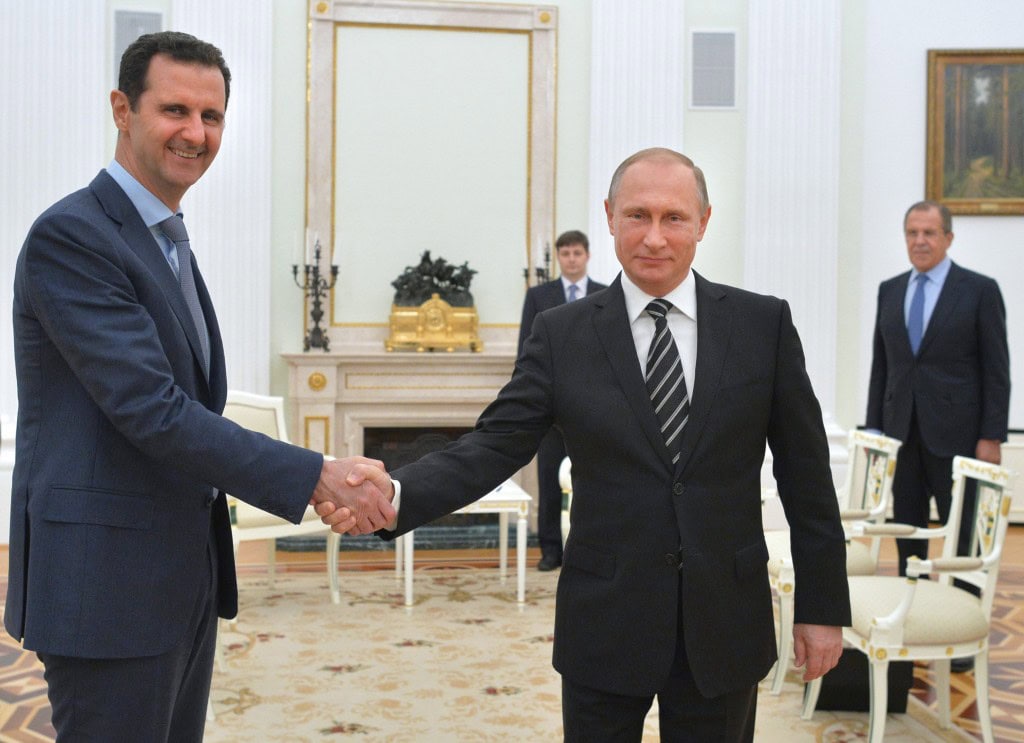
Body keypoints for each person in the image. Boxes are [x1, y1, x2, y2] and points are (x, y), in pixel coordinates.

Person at [327, 147, 850, 741]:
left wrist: (821, 607)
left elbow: (807, 476)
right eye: (637, 215)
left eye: (674, 218)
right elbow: (495, 444)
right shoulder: (562, 334)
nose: (654, 237)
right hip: (606, 620)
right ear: (609, 217)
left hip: (724, 620)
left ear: (704, 223)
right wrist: (397, 491)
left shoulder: (763, 326)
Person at [5, 31, 392, 741]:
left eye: (211, 117)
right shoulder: (75, 236)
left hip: (176, 578)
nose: (195, 132)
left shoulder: (165, 237)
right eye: (174, 110)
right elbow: (154, 411)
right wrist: (318, 474)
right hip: (107, 587)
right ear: (123, 109)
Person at [865, 201, 1010, 591]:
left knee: (965, 535)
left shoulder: (979, 290)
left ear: (948, 237)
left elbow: (996, 370)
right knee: (907, 533)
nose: (920, 241)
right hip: (902, 436)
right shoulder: (890, 290)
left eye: (929, 233)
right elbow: (883, 367)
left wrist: (991, 436)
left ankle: (963, 629)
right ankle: (910, 623)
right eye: (912, 233)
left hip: (960, 439)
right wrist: (876, 431)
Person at [518, 230, 607, 571]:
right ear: (559, 257)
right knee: (549, 483)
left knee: (595, 483)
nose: (571, 259)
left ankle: (590, 550)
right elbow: (527, 349)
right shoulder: (539, 296)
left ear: (587, 256)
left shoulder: (606, 294)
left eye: (576, 253)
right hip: (551, 410)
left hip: (597, 409)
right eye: (565, 253)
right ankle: (551, 551)